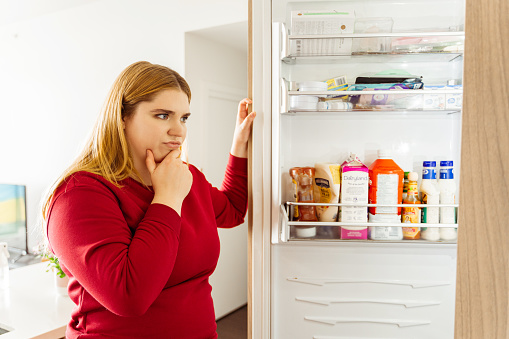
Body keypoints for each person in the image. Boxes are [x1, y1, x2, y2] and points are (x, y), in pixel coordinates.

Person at [42, 61, 256, 338]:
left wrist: (239, 145)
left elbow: (233, 211)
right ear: (121, 116)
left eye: (184, 118)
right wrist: (167, 199)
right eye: (163, 115)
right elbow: (128, 298)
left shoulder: (183, 176)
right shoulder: (79, 194)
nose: (179, 130)